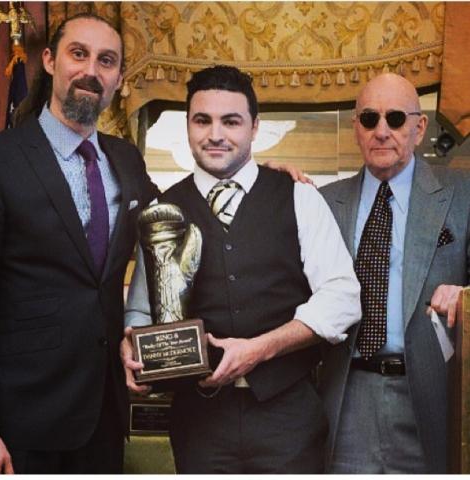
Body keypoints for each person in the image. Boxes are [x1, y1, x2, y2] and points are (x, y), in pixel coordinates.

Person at [121, 65, 361, 474]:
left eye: (231, 121)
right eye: (203, 120)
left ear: (254, 127)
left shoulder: (298, 197)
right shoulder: (163, 212)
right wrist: (132, 346)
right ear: (188, 127)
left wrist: (259, 350)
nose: (216, 134)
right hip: (199, 422)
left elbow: (342, 298)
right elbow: (141, 312)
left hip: (288, 416)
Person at [0, 13, 160, 474]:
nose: (91, 70)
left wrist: (266, 178)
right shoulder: (3, 159)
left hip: (105, 416)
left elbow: (177, 219)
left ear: (118, 78)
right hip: (21, 424)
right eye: (78, 53)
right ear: (49, 61)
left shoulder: (126, 160)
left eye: (106, 60)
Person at [319, 73, 470, 474]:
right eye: (369, 119)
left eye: (396, 119)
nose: (382, 131)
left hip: (431, 396)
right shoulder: (323, 204)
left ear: (419, 127)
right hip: (347, 393)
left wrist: (466, 296)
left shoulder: (462, 195)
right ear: (356, 128)